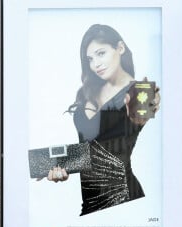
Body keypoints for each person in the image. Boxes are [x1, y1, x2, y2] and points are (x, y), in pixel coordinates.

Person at [48, 23, 160, 216]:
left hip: (124, 197)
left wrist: (148, 103)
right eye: (90, 59)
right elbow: (89, 148)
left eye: (101, 53)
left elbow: (120, 141)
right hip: (91, 202)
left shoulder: (141, 93)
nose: (95, 64)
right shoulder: (89, 92)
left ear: (120, 48)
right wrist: (56, 167)